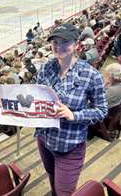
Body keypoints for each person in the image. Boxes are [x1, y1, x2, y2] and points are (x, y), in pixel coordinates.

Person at [35, 23, 108, 195]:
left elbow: (102, 110)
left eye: (65, 42)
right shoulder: (45, 68)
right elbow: (35, 99)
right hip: (44, 139)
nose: (58, 47)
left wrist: (74, 115)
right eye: (55, 43)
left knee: (64, 192)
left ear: (76, 44)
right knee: (51, 175)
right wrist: (10, 105)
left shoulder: (91, 75)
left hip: (69, 146)